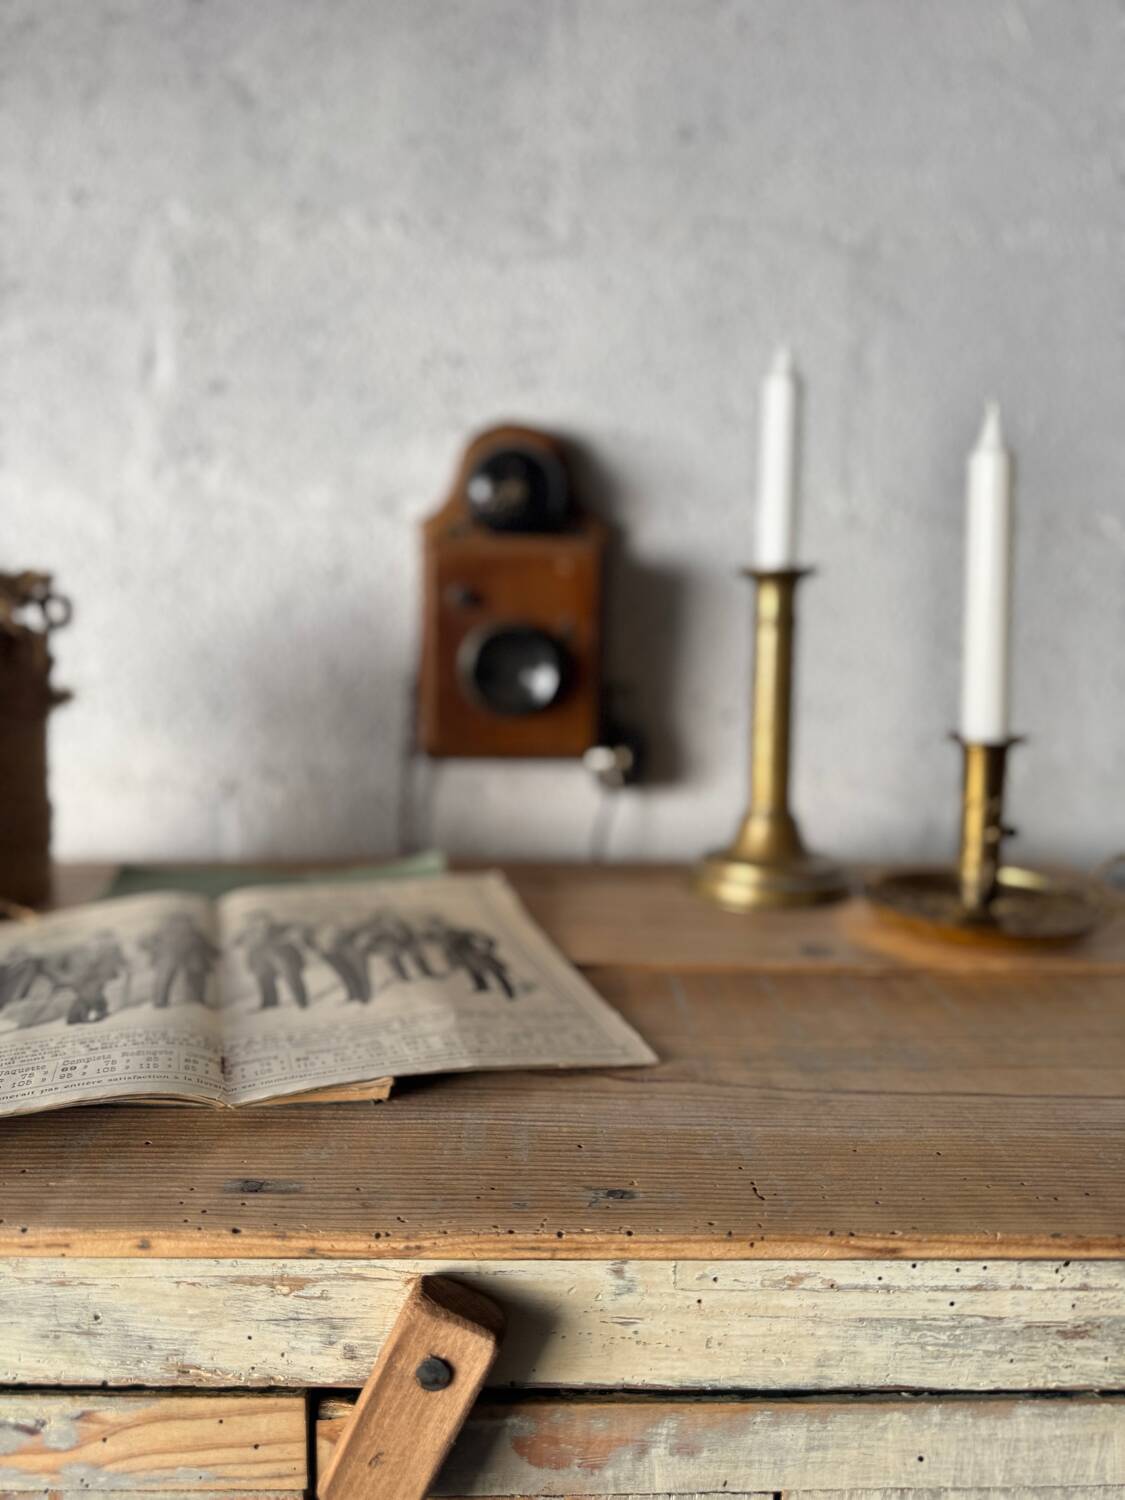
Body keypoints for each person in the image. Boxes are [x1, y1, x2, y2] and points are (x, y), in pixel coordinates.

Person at [140, 913, 219, 1008]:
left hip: (168, 959)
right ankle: (198, 1001)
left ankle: (159, 1002)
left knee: (163, 981)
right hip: (191, 959)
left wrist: (154, 949)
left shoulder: (162, 931)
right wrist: (217, 953)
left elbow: (144, 943)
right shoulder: (194, 932)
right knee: (196, 980)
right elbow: (208, 946)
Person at [235, 913, 309, 1010]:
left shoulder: (278, 927)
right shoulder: (249, 932)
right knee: (264, 980)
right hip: (260, 961)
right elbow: (237, 942)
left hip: (282, 958)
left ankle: (302, 1001)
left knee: (292, 977)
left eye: (262, 920)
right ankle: (270, 1002)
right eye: (254, 921)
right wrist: (247, 943)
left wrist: (287, 938)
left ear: (268, 920)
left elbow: (297, 928)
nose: (259, 923)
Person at [52, 932, 126, 1025]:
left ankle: (92, 1012)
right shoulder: (81, 955)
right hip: (86, 983)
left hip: (93, 983)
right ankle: (89, 1013)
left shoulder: (108, 956)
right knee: (90, 994)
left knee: (91, 994)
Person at [430, 920, 516, 999]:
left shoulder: (461, 934)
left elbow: (487, 940)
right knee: (475, 972)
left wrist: (485, 947)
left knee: (496, 972)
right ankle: (483, 988)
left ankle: (509, 991)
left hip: (479, 957)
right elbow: (451, 952)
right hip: (469, 959)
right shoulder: (446, 939)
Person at [310, 921, 371, 1003]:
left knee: (360, 974)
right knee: (348, 975)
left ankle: (365, 998)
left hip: (349, 949)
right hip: (333, 952)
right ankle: (356, 996)